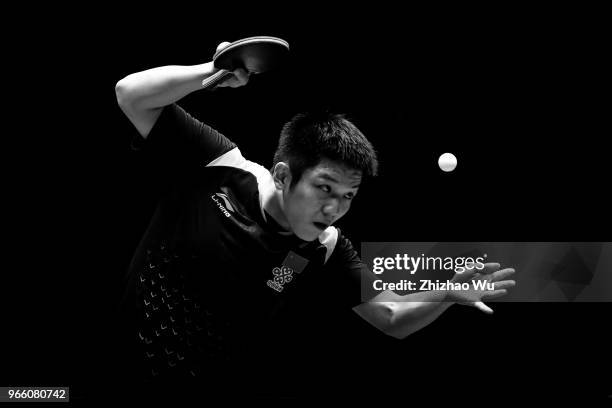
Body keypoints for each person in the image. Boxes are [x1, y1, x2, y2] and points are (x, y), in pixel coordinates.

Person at [114, 41, 516, 401]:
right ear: (284, 174)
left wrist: (444, 294)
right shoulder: (219, 166)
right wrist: (208, 72)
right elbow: (130, 94)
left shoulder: (323, 247)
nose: (334, 209)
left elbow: (391, 319)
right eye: (325, 189)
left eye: (348, 197)